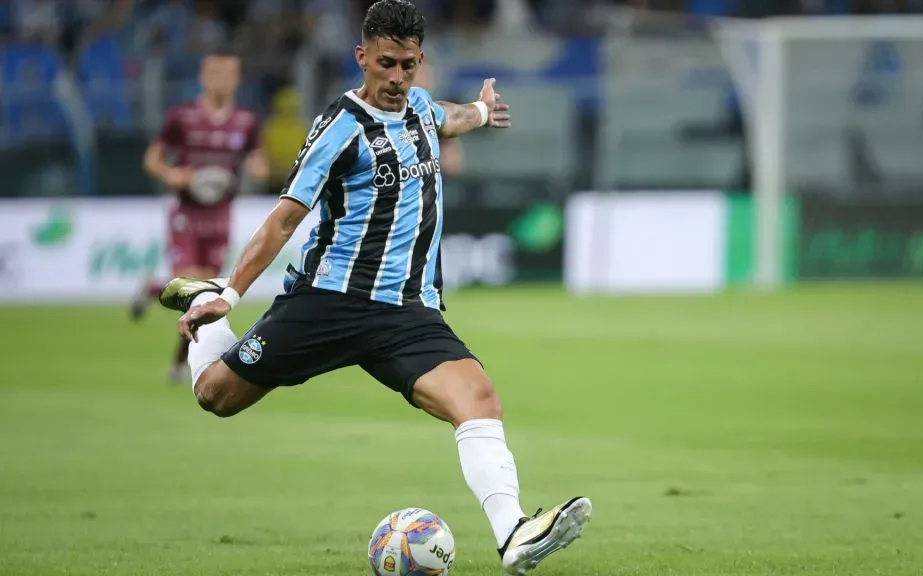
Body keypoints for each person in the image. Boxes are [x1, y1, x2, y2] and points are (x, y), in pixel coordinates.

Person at [155, 1, 591, 573]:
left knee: (480, 400)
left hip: (409, 313)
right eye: (385, 63)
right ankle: (203, 301)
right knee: (216, 396)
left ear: (419, 61)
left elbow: (448, 118)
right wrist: (230, 295)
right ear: (362, 57)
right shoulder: (341, 128)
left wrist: (482, 112)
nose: (395, 78)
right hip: (329, 302)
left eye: (407, 65)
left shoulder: (420, 109)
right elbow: (284, 220)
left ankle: (513, 534)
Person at [132, 47, 269, 384]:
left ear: (237, 79)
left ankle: (175, 352)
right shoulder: (182, 117)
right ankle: (181, 365)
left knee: (205, 296)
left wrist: (258, 169)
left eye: (230, 74)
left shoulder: (246, 121)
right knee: (194, 285)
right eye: (216, 73)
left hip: (220, 214)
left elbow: (260, 163)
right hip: (186, 213)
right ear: (204, 78)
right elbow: (152, 159)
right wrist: (173, 175)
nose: (223, 80)